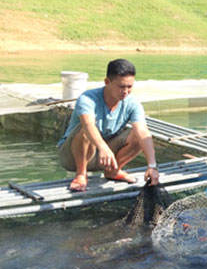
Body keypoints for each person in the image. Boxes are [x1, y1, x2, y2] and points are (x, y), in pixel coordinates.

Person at [57, 58, 160, 192]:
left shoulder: (132, 103)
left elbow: (143, 132)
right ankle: (81, 174)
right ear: (107, 82)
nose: (126, 91)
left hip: (106, 157)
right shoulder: (87, 98)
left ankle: (113, 171)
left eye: (130, 87)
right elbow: (88, 125)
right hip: (72, 156)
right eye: (121, 87)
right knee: (85, 130)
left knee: (138, 135)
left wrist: (152, 165)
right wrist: (103, 147)